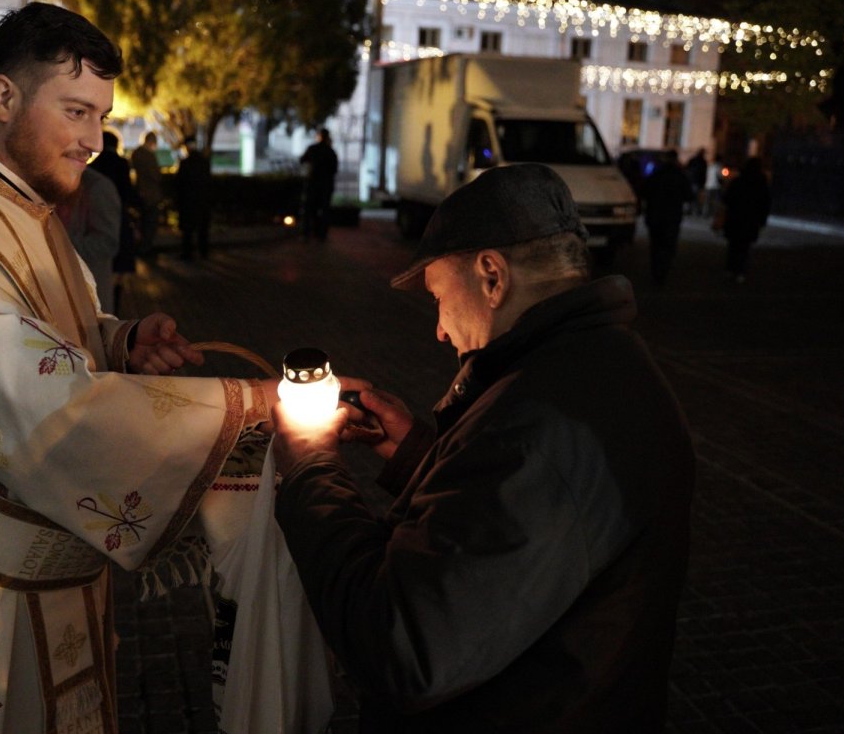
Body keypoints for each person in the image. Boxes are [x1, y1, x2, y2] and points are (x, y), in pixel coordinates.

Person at [0, 2, 277, 734]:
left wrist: (121, 343)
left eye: (100, 115)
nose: (94, 139)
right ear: (4, 97)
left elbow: (45, 333)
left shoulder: (20, 210)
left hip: (52, 581)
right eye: (77, 111)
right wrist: (252, 411)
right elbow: (43, 404)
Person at [269, 163, 695, 732]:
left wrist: (310, 463)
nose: (439, 331)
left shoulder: (537, 424)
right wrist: (421, 454)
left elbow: (403, 646)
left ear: (492, 276)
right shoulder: (603, 365)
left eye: (440, 297)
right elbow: (522, 533)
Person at [90, 129, 142, 312]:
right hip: (119, 218)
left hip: (96, 218)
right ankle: (115, 304)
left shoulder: (94, 166)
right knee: (119, 268)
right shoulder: (121, 163)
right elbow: (127, 191)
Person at [59, 167, 121, 312]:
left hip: (88, 288)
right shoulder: (51, 181)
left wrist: (56, 243)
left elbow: (107, 242)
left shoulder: (97, 187)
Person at [641, 149, 693, 287]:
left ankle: (656, 272)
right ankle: (662, 273)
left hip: (655, 216)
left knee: (656, 246)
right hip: (672, 217)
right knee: (668, 246)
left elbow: (644, 191)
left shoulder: (656, 174)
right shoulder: (680, 175)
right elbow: (689, 195)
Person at [720, 157, 771, 283]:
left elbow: (727, 199)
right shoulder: (761, 184)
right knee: (744, 247)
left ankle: (730, 270)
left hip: (736, 218)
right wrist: (762, 220)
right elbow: (765, 203)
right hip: (750, 220)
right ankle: (740, 272)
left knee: (733, 246)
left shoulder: (738, 181)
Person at [176, 136, 212, 260]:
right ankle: (203, 251)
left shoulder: (185, 163)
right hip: (203, 200)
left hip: (188, 201)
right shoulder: (204, 162)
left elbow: (180, 184)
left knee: (188, 229)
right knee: (202, 228)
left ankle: (187, 253)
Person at [299, 127, 338, 241]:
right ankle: (321, 234)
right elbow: (334, 169)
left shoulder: (313, 149)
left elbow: (302, 160)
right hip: (325, 185)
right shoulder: (330, 151)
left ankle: (306, 234)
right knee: (324, 210)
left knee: (309, 209)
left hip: (313, 184)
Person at [130, 130, 164, 257]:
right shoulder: (149, 156)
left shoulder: (136, 153)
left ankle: (142, 246)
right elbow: (156, 175)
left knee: (142, 222)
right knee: (150, 223)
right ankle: (146, 248)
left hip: (140, 192)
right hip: (151, 194)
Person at [684, 147, 707, 215]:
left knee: (693, 196)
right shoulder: (701, 161)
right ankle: (692, 210)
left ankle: (690, 210)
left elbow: (687, 168)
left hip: (693, 181)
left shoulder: (696, 160)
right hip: (695, 181)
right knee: (695, 197)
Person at [702, 152, 724, 218]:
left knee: (707, 201)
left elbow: (706, 175)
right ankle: (715, 214)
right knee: (716, 201)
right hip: (716, 186)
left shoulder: (710, 166)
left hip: (708, 185)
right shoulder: (719, 166)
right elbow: (719, 177)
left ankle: (705, 213)